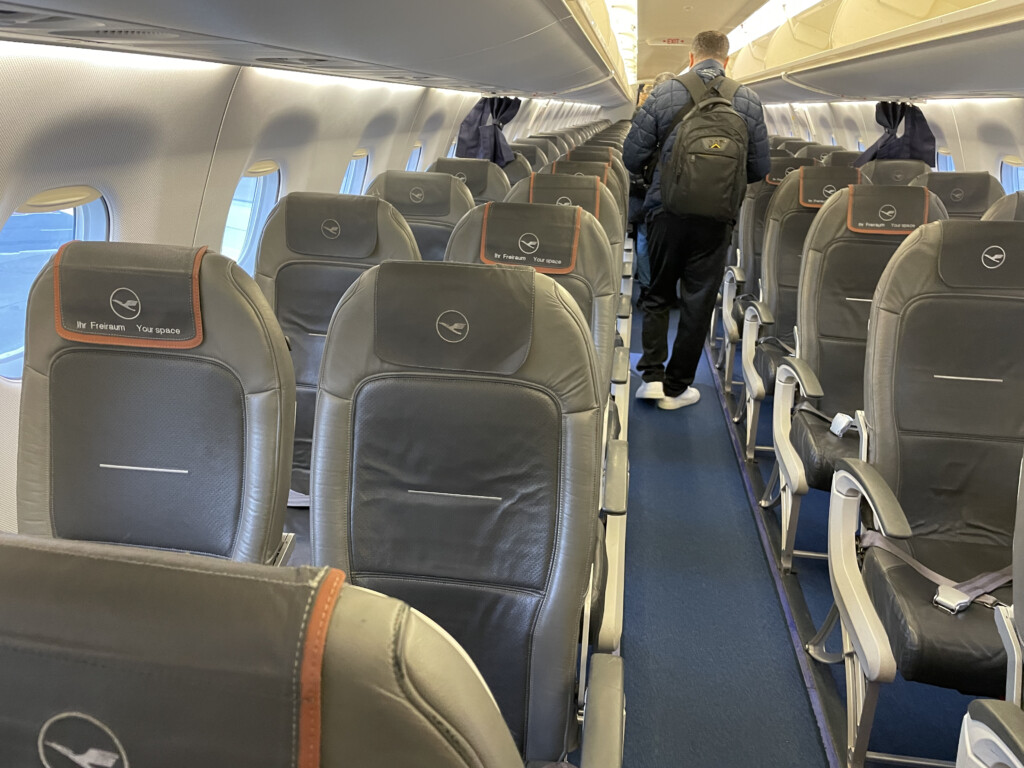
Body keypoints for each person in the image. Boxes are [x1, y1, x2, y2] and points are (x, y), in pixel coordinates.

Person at [623, 30, 770, 410]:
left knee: (656, 292)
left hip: (665, 212)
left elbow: (631, 156)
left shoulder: (664, 92)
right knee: (698, 301)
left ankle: (651, 376)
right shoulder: (748, 100)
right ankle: (677, 388)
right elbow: (758, 169)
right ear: (727, 59)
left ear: (691, 58)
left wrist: (663, 173)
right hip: (717, 219)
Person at [629, 71, 677, 302]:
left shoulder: (643, 113)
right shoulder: (690, 114)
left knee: (644, 236)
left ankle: (648, 288)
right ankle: (667, 287)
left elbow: (632, 155)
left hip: (647, 185)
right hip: (675, 187)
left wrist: (639, 180)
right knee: (670, 238)